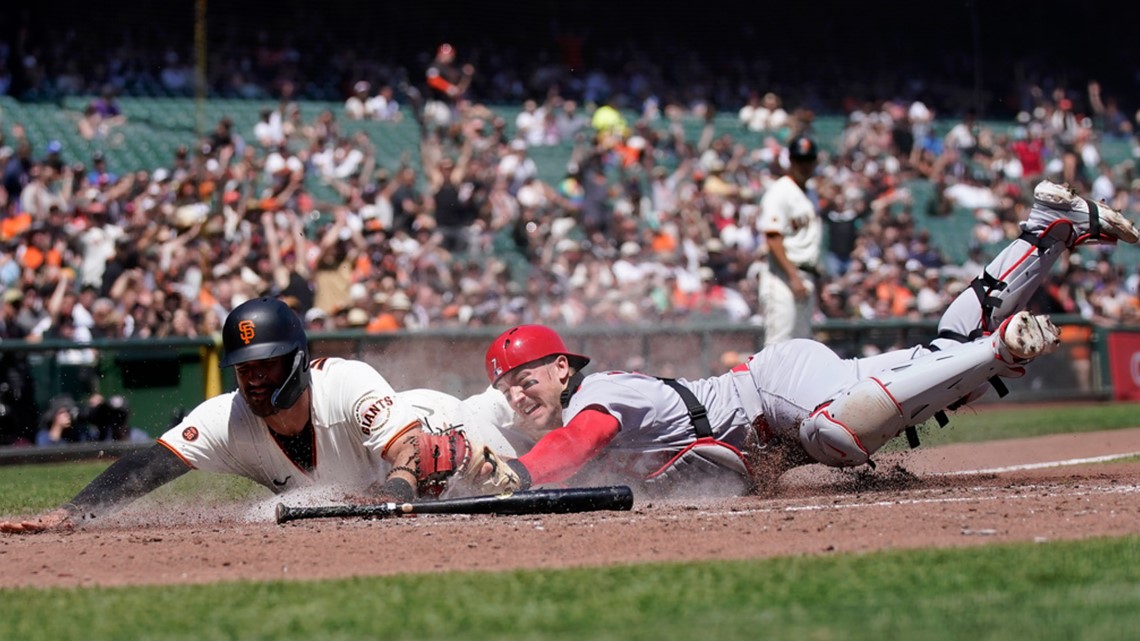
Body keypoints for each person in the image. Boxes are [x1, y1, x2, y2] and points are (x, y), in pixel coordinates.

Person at [476, 180, 1140, 498]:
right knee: (943, 348)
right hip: (779, 396)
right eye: (508, 386)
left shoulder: (596, 393)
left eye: (525, 376)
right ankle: (1043, 228)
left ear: (562, 367)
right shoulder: (578, 402)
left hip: (776, 389)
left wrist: (520, 473)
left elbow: (579, 439)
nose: (517, 391)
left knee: (837, 436)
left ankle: (1001, 348)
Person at [0, 297, 518, 533]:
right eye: (244, 367)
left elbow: (409, 453)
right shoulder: (229, 421)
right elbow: (151, 464)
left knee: (519, 443)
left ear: (297, 360)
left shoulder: (346, 382)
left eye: (266, 363)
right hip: (395, 479)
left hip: (453, 422)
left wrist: (396, 489)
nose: (254, 378)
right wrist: (72, 513)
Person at [757, 135, 823, 346]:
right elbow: (773, 238)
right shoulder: (780, 191)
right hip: (783, 277)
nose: (803, 166)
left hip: (805, 275)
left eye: (808, 161)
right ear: (791, 161)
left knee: (801, 347)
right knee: (778, 347)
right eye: (799, 160)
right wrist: (794, 277)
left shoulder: (810, 193)